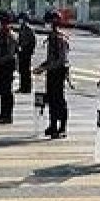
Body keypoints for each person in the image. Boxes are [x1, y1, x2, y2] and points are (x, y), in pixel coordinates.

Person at [35, 9, 70, 138]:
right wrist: (42, 66)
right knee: (50, 98)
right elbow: (51, 58)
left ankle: (62, 127)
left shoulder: (60, 39)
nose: (47, 24)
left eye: (49, 22)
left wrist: (45, 68)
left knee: (58, 100)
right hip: (51, 72)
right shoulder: (51, 37)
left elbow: (61, 60)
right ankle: (53, 124)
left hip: (58, 73)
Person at [16, 13, 36, 95]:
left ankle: (27, 87)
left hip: (27, 52)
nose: (20, 21)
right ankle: (22, 86)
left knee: (26, 70)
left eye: (21, 19)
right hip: (21, 51)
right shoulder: (21, 28)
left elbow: (33, 41)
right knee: (21, 69)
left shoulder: (29, 29)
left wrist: (29, 50)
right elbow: (20, 39)